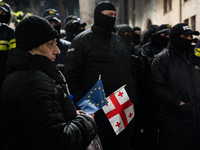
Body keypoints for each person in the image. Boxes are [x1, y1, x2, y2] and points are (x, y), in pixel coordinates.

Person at [1, 15, 96, 149]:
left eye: (56, 43)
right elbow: (58, 140)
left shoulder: (17, 76)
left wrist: (71, 114)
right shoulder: (35, 84)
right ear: (31, 47)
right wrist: (87, 121)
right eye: (50, 44)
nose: (57, 51)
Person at [64, 1, 137, 150]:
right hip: (95, 109)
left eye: (115, 15)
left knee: (121, 145)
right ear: (98, 16)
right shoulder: (81, 41)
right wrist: (83, 107)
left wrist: (132, 99)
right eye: (109, 15)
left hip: (121, 106)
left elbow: (128, 73)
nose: (113, 18)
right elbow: (72, 76)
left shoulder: (119, 42)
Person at [151, 23, 200, 150]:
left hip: (196, 118)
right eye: (186, 36)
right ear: (175, 37)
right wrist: (179, 103)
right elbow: (158, 87)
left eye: (191, 36)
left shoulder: (194, 58)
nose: (189, 40)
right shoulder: (162, 59)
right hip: (175, 120)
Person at [0, 2, 16, 149]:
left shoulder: (9, 33)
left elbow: (14, 58)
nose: (1, 14)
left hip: (4, 81)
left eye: (4, 12)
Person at [42, 8, 71, 74]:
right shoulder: (38, 47)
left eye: (56, 23)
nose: (53, 25)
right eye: (50, 23)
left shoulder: (68, 46)